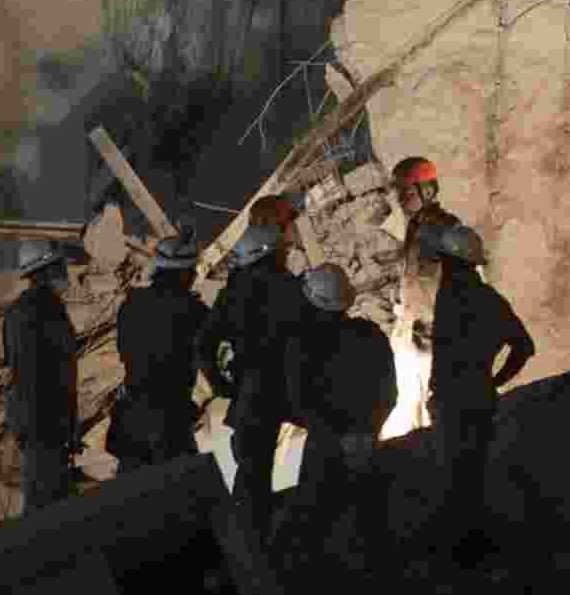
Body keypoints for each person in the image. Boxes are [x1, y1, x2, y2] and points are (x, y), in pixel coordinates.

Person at [420, 222, 534, 567]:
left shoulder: (449, 295)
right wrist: (496, 381)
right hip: (480, 398)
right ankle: (479, 549)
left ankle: (459, 557)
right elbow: (524, 346)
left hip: (450, 401)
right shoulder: (489, 299)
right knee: (477, 474)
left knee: (451, 478)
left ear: (451, 262)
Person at [272, 263, 397, 566]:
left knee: (313, 523)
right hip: (366, 442)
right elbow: (389, 394)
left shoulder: (302, 344)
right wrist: (367, 432)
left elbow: (299, 402)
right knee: (369, 521)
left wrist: (330, 434)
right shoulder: (371, 335)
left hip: (325, 446)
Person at [194, 222, 306, 548]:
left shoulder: (234, 292)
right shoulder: (291, 287)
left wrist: (221, 385)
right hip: (295, 386)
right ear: (269, 253)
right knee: (322, 454)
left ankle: (251, 546)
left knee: (251, 474)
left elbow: (204, 343)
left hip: (254, 391)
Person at [107, 225, 208, 473]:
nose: (194, 277)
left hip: (132, 418)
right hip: (171, 423)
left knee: (130, 490)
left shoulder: (131, 305)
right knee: (181, 489)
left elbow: (124, 352)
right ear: (184, 274)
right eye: (192, 271)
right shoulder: (194, 312)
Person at [3, 240, 85, 515]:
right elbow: (64, 371)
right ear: (49, 270)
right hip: (48, 420)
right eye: (61, 265)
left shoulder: (14, 311)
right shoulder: (50, 308)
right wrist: (71, 425)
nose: (65, 270)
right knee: (49, 504)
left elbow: (13, 366)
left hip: (25, 418)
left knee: (39, 494)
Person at [391, 156, 460, 428]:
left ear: (427, 190)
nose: (400, 200)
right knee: (416, 413)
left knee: (441, 413)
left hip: (437, 336)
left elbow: (464, 282)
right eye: (399, 193)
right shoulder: (414, 229)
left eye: (406, 192)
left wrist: (443, 328)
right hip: (415, 333)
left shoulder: (447, 228)